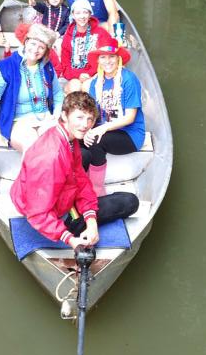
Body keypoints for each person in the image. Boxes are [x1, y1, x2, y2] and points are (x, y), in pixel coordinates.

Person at [10, 91, 139, 249]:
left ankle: (82, 217)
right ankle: (71, 225)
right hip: (44, 215)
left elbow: (80, 179)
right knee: (130, 202)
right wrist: (71, 239)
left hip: (53, 198)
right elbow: (37, 213)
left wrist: (91, 220)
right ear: (64, 116)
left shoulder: (68, 138)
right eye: (79, 117)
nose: (85, 125)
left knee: (84, 158)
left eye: (90, 119)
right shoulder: (51, 157)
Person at [0, 23, 62, 152]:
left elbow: (58, 92)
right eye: (33, 44)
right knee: (33, 149)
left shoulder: (47, 67)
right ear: (26, 42)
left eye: (41, 47)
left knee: (57, 147)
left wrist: (56, 114)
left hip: (46, 119)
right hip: (19, 123)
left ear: (46, 51)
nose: (35, 49)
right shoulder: (6, 67)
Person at [81, 39, 146, 196]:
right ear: (98, 60)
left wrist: (99, 130)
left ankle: (96, 190)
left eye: (111, 56)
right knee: (78, 140)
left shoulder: (128, 79)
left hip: (129, 134)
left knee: (97, 141)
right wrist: (86, 130)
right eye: (102, 57)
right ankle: (79, 185)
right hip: (104, 127)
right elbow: (93, 114)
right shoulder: (95, 83)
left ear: (118, 58)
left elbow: (130, 117)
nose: (107, 61)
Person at [58, 0, 112, 93]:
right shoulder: (68, 36)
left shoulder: (101, 33)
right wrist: (78, 75)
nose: (82, 16)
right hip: (75, 75)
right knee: (75, 87)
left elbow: (108, 57)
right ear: (73, 15)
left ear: (90, 14)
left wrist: (90, 74)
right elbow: (65, 65)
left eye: (85, 12)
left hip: (96, 73)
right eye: (78, 13)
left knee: (88, 87)